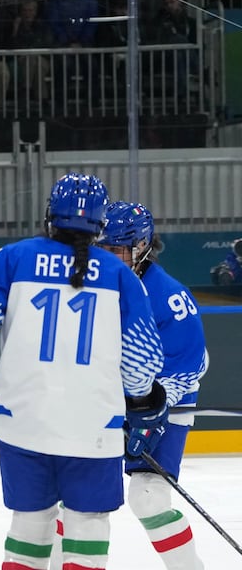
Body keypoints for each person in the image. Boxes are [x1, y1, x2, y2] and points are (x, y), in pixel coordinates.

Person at [0, 174, 166, 570]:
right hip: (94, 426)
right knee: (86, 527)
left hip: (20, 421)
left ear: (50, 214)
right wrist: (141, 404)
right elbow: (141, 360)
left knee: (30, 525)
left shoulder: (9, 258)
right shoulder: (121, 276)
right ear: (100, 223)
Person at [98, 201, 208, 569]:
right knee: (79, 498)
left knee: (149, 498)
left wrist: (151, 409)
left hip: (163, 407)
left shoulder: (169, 296)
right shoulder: (91, 289)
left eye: (118, 249)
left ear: (142, 246)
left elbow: (191, 364)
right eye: (103, 248)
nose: (109, 257)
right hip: (106, 404)